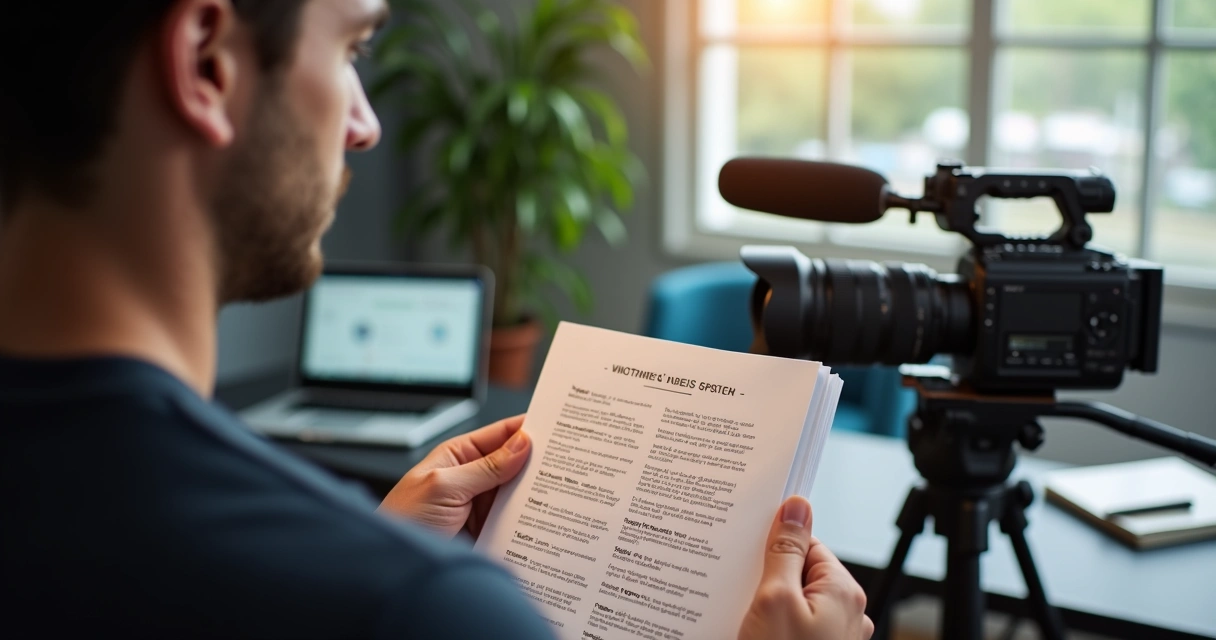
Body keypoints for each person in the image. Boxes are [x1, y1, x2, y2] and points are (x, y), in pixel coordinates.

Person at [0, 1, 874, 638]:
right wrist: (385, 579)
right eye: (350, 48)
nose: (366, 124)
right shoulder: (431, 609)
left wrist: (369, 552)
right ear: (207, 63)